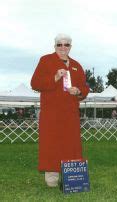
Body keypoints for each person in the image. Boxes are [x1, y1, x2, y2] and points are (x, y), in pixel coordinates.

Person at [31, 33, 89, 187]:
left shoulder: (77, 64)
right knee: (52, 145)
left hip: (71, 114)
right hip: (52, 114)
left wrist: (78, 91)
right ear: (54, 46)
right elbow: (35, 83)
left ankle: (72, 178)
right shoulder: (45, 60)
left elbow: (85, 87)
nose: (63, 48)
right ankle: (52, 179)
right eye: (60, 44)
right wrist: (55, 77)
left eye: (66, 44)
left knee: (71, 145)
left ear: (71, 47)